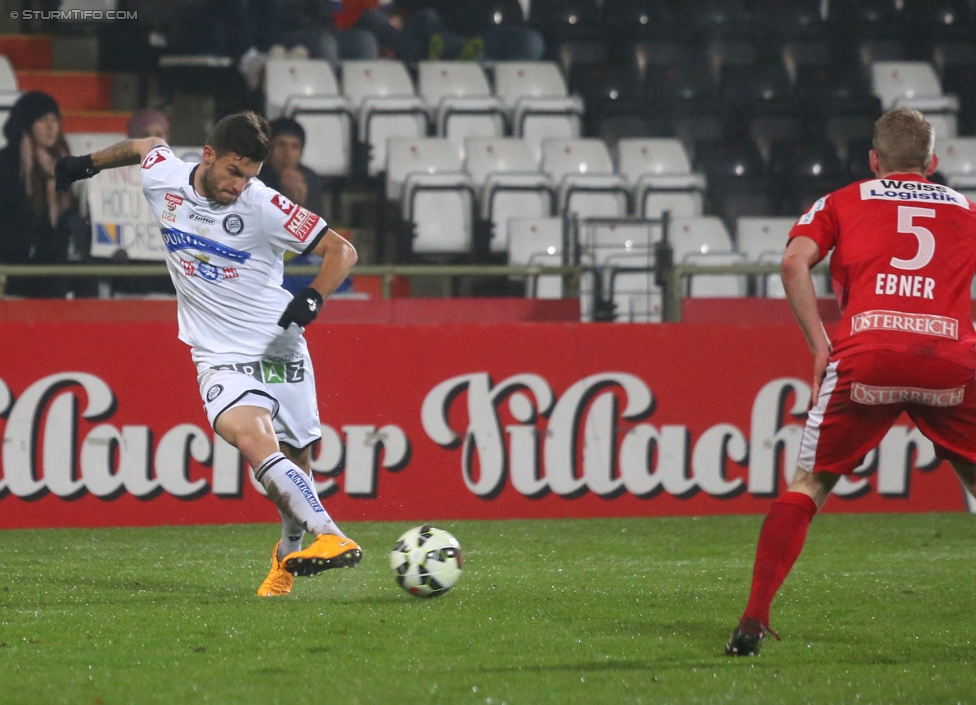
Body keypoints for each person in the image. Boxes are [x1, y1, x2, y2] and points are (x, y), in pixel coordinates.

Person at [55, 111, 362, 597]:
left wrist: (313, 296)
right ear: (208, 156)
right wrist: (85, 164)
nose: (240, 186)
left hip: (279, 345)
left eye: (250, 177)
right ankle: (331, 535)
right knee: (250, 435)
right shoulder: (167, 177)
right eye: (233, 173)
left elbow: (342, 251)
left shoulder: (264, 204)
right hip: (217, 354)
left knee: (298, 460)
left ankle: (287, 554)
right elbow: (144, 144)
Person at [725, 107, 976, 656]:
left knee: (808, 486)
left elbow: (794, 264)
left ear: (874, 160)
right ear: (932, 163)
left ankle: (752, 619)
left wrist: (820, 345)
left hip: (866, 355)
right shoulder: (967, 209)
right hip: (948, 357)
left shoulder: (843, 199)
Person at [0, 91, 80, 298]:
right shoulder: (6, 164)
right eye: (43, 120)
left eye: (54, 120)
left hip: (54, 261)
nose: (51, 127)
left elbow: (69, 216)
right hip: (15, 262)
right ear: (27, 124)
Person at [258, 117, 325, 216]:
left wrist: (300, 203)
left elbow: (317, 226)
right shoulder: (255, 178)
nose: (288, 154)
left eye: (295, 147)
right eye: (281, 145)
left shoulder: (309, 179)